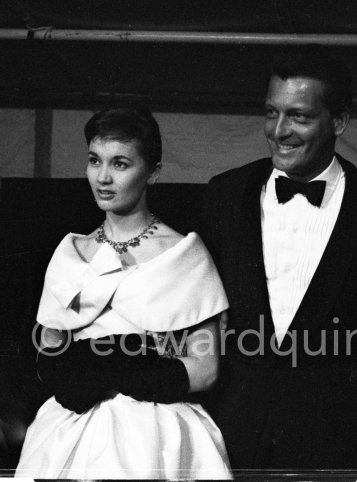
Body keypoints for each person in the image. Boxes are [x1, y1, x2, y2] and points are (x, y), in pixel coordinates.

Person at [200, 45, 357, 471]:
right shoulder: (222, 194)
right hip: (228, 438)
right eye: (271, 112)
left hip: (334, 446)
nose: (279, 130)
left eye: (298, 116)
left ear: (340, 121)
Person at [15, 107, 232, 479]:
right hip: (70, 430)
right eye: (94, 161)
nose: (103, 177)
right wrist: (82, 374)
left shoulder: (183, 254)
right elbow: (47, 354)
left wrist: (129, 373)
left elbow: (206, 368)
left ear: (152, 172)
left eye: (119, 164)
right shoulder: (71, 253)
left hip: (155, 430)